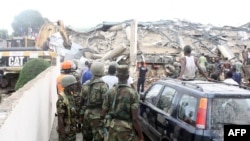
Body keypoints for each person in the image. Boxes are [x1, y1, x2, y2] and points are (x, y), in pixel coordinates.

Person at [101, 65, 144, 141]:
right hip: (126, 131)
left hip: (112, 129)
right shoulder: (133, 93)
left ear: (117, 76)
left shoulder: (110, 92)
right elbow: (135, 118)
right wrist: (140, 136)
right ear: (128, 77)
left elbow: (103, 113)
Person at [80, 61, 109, 141]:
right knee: (99, 138)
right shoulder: (104, 86)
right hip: (98, 115)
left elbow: (81, 102)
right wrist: (103, 117)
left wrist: (81, 114)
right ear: (102, 71)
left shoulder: (86, 85)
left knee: (86, 138)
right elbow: (106, 104)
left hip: (87, 114)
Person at [57, 75, 78, 141]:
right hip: (66, 131)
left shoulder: (70, 95)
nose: (75, 86)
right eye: (73, 85)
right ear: (68, 86)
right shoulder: (62, 99)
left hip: (71, 130)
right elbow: (60, 118)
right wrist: (63, 134)